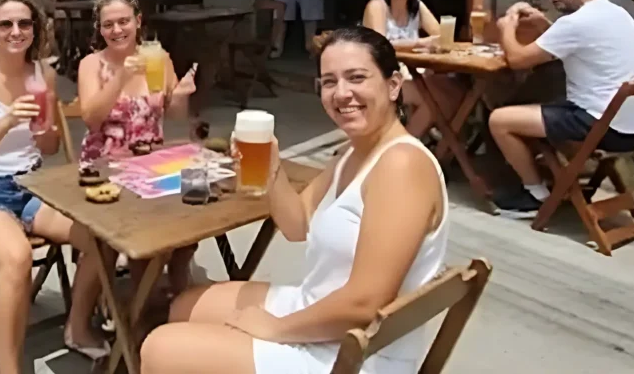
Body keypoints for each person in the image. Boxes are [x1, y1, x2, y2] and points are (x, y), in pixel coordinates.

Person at [141, 26, 448, 374]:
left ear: (393, 85)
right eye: (329, 82)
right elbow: (296, 224)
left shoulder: (401, 165)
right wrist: (271, 167)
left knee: (158, 350)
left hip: (356, 353)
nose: (341, 93)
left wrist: (276, 329)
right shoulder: (353, 152)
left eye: (356, 78)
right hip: (320, 310)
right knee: (185, 306)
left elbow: (365, 304)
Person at [0, 0, 107, 373]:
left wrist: (44, 130)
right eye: (6, 24)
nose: (16, 31)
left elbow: (49, 146)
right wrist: (6, 121)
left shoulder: (42, 75)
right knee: (17, 257)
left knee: (101, 235)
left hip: (32, 186)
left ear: (35, 29)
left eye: (24, 23)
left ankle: (77, 327)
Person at [491, 0, 634, 218]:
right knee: (544, 102)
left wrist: (506, 27)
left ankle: (535, 195)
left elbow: (517, 60)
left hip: (604, 126)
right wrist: (543, 23)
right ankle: (553, 179)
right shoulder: (614, 11)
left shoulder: (577, 22)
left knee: (500, 120)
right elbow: (572, 42)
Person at [77, 0, 198, 295]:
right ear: (99, 28)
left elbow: (174, 115)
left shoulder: (158, 57)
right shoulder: (92, 64)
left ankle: (173, 301)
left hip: (152, 167)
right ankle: (121, 310)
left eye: (124, 21)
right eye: (108, 24)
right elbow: (91, 118)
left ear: (138, 21)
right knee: (116, 241)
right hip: (105, 169)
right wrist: (121, 77)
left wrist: (182, 95)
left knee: (193, 222)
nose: (117, 30)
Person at [362, 0, 464, 139]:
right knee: (436, 100)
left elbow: (442, 37)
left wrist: (436, 42)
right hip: (382, 77)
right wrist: (420, 43)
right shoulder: (377, 6)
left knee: (457, 92)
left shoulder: (417, 7)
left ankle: (441, 145)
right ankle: (405, 144)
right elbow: (380, 45)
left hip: (413, 72)